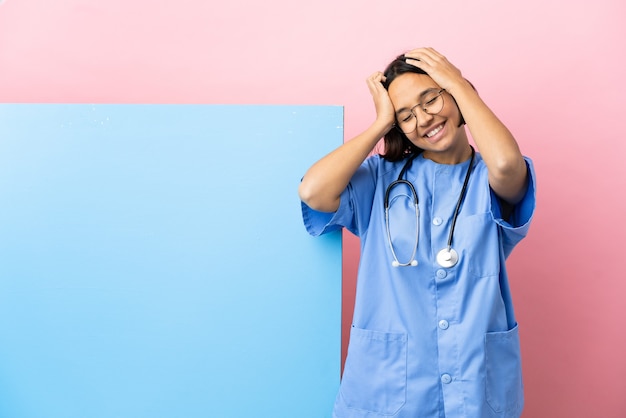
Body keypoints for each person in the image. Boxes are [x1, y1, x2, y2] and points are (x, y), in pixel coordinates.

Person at [298, 47, 535, 418]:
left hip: (474, 387)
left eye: (432, 99)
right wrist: (380, 123)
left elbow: (506, 164)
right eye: (406, 116)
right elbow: (313, 190)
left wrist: (458, 83)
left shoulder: (491, 176)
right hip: (389, 390)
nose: (424, 118)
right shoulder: (380, 178)